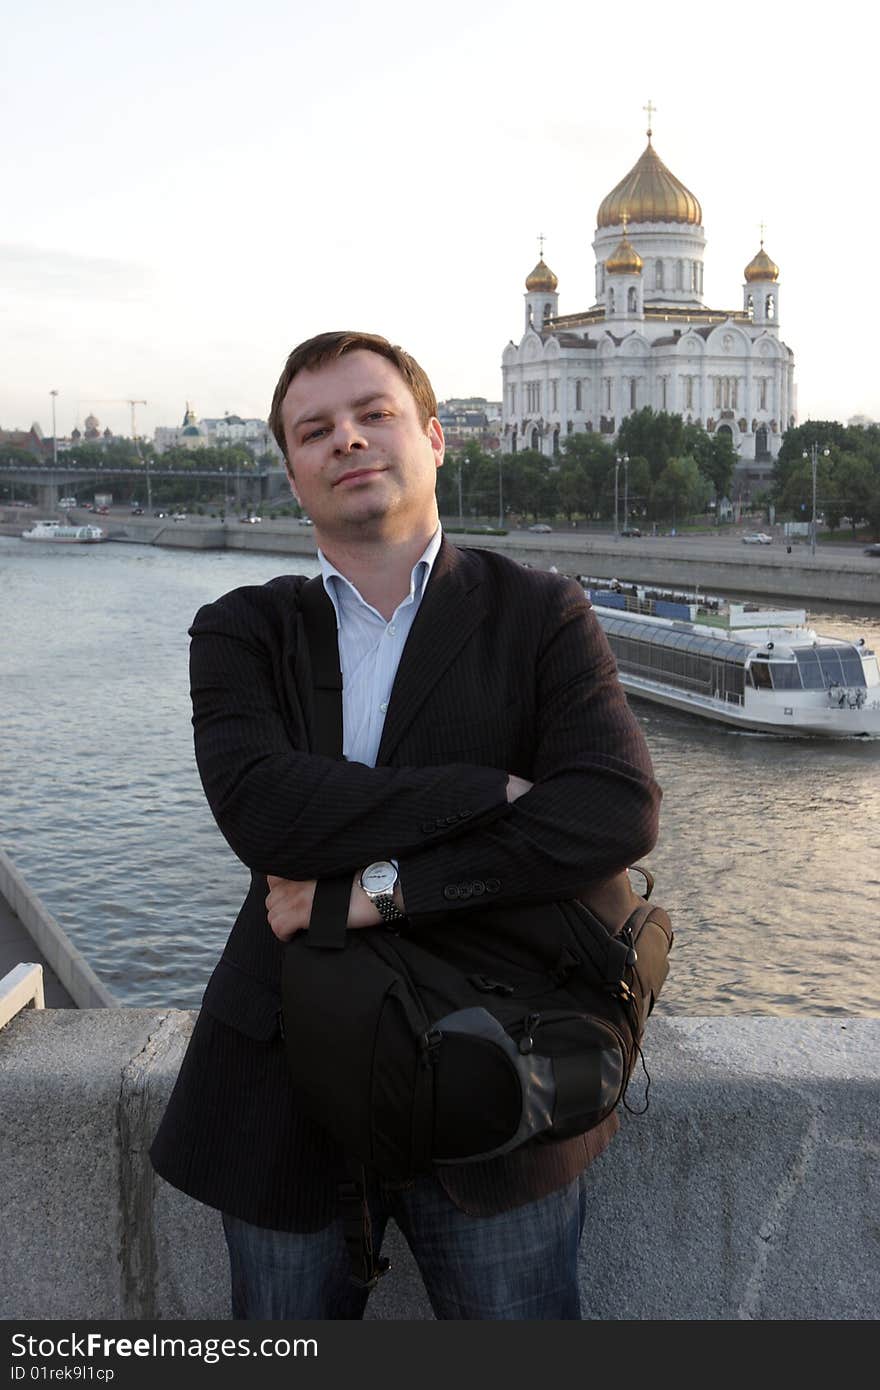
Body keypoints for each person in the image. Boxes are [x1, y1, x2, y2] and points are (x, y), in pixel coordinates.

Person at [149, 330, 661, 1320]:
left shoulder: (540, 612)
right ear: (293, 471)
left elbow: (610, 812)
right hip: (282, 1085)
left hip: (501, 1068)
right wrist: (493, 791)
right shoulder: (244, 628)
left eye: (373, 414)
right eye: (314, 430)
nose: (347, 439)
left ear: (434, 439)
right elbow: (264, 812)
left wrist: (378, 891)